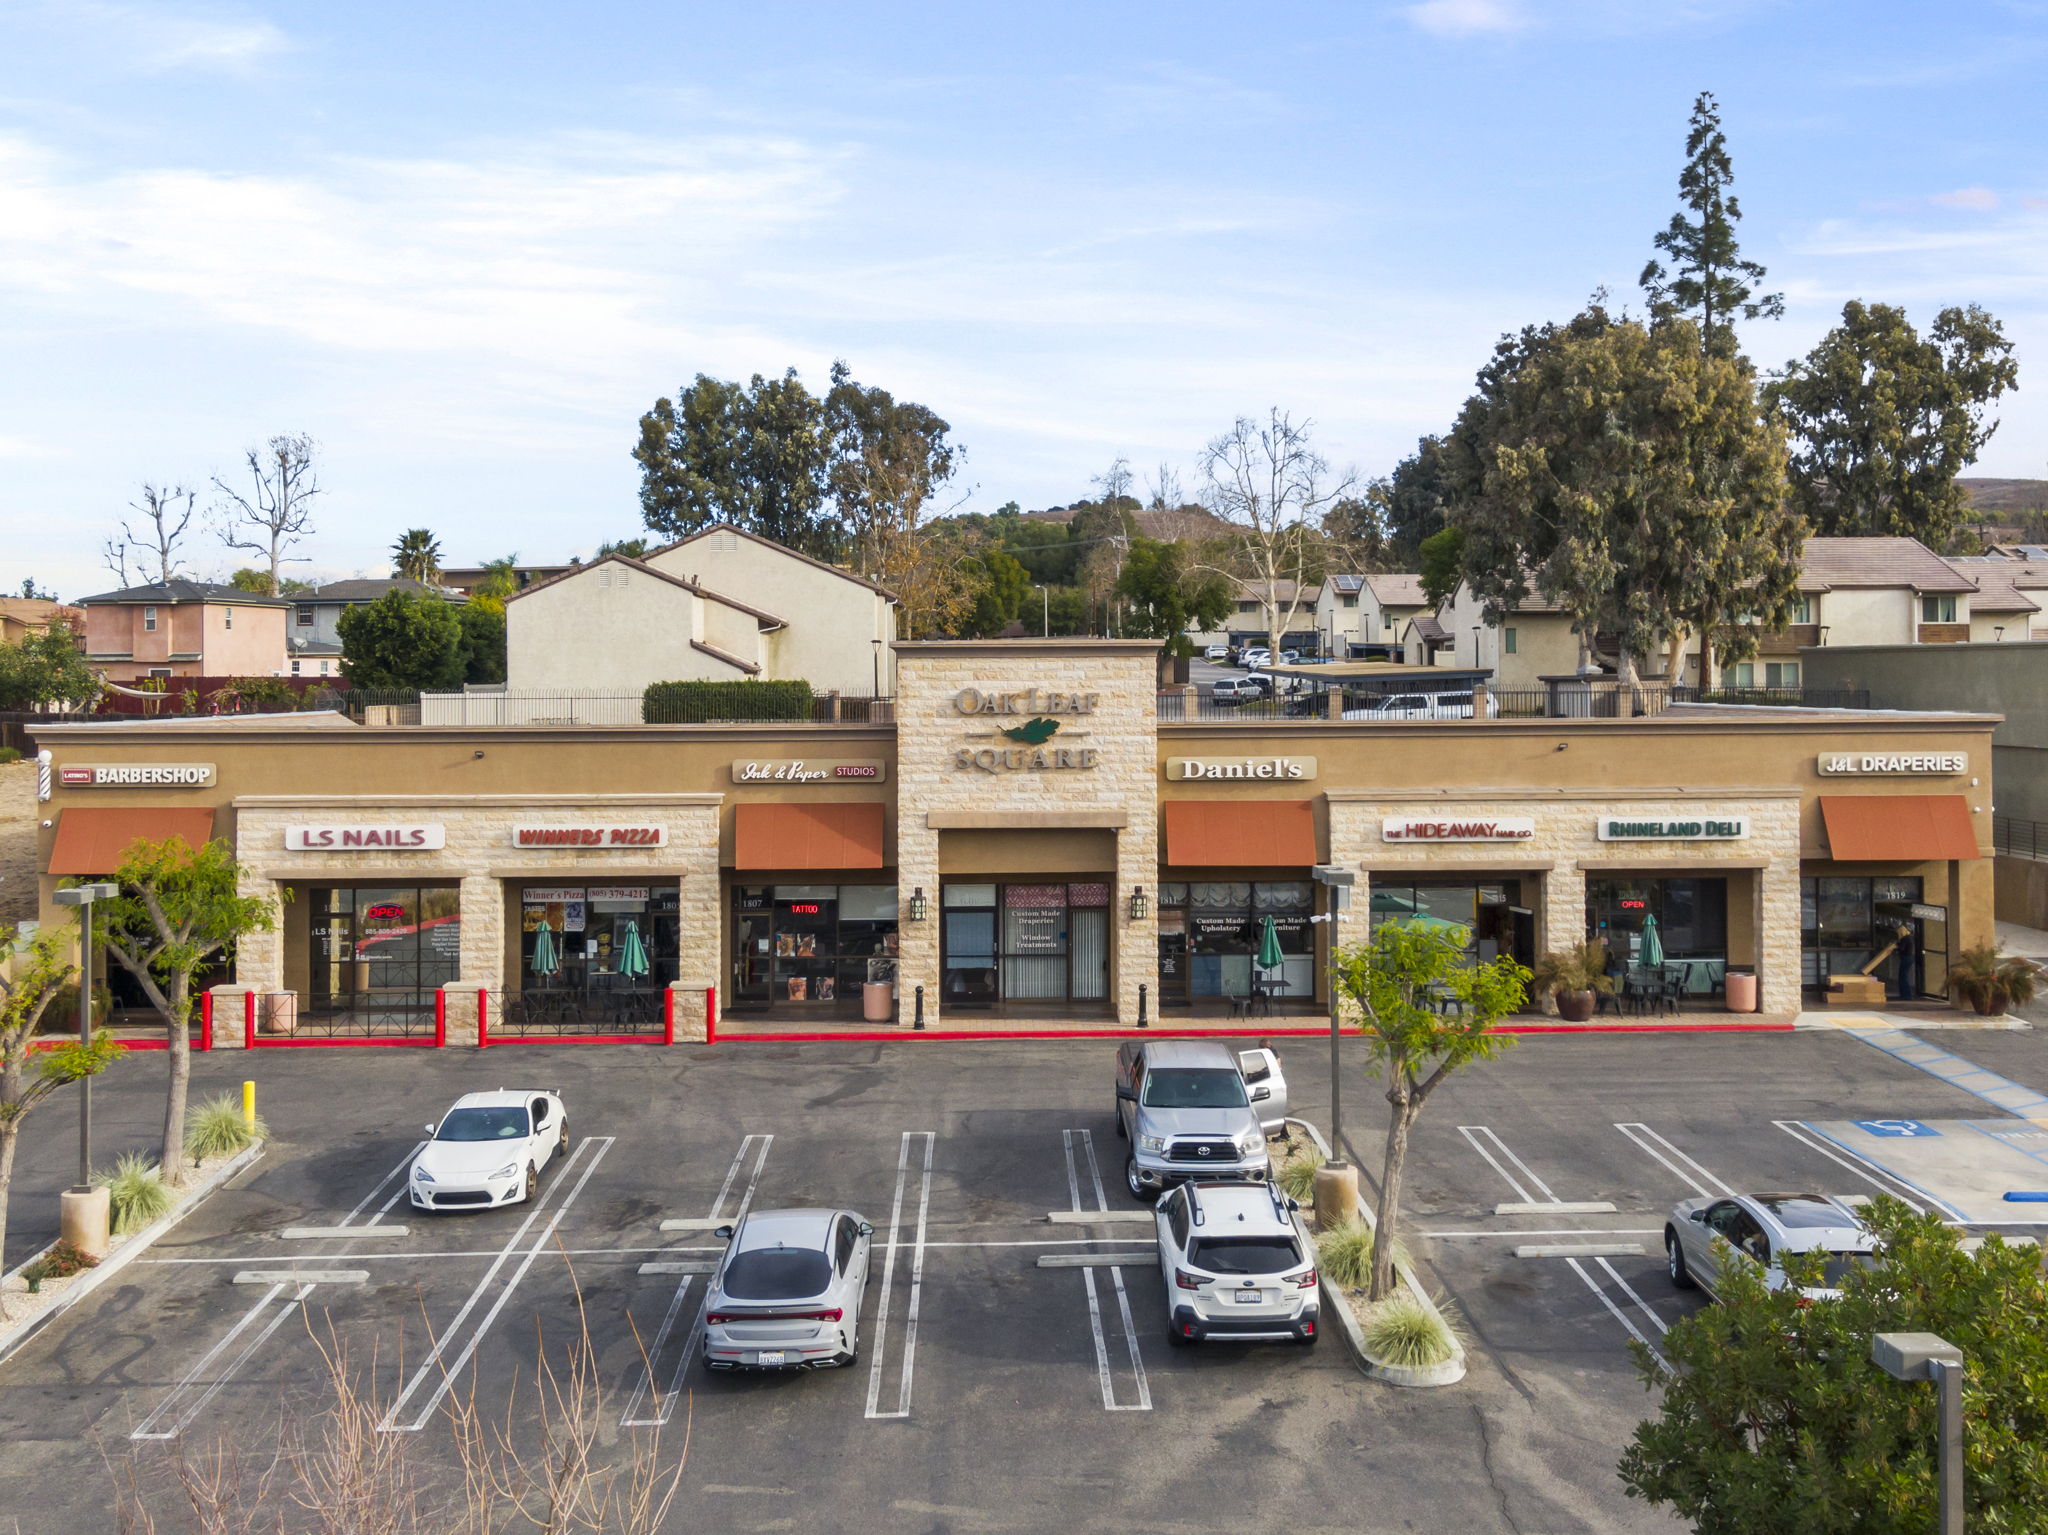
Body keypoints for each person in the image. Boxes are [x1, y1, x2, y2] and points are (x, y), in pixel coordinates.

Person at [1892, 922, 1917, 1002]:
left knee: (1903, 977)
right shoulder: (1909, 937)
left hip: (1906, 958)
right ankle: (1905, 995)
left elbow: (1901, 948)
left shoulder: (1905, 938)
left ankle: (1906, 995)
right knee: (1904, 976)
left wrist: (1894, 949)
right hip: (1910, 958)